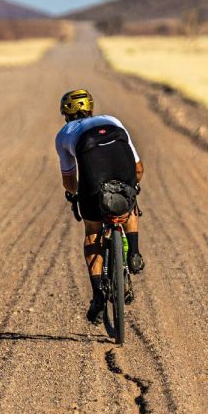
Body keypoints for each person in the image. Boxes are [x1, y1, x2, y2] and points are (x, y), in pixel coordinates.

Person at [55, 88, 145, 324]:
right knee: (129, 202)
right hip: (124, 168)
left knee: (93, 232)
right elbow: (138, 168)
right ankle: (134, 253)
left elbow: (69, 179)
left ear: (65, 113)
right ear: (91, 107)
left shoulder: (64, 134)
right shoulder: (113, 120)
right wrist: (132, 186)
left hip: (93, 179)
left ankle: (97, 296)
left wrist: (76, 194)